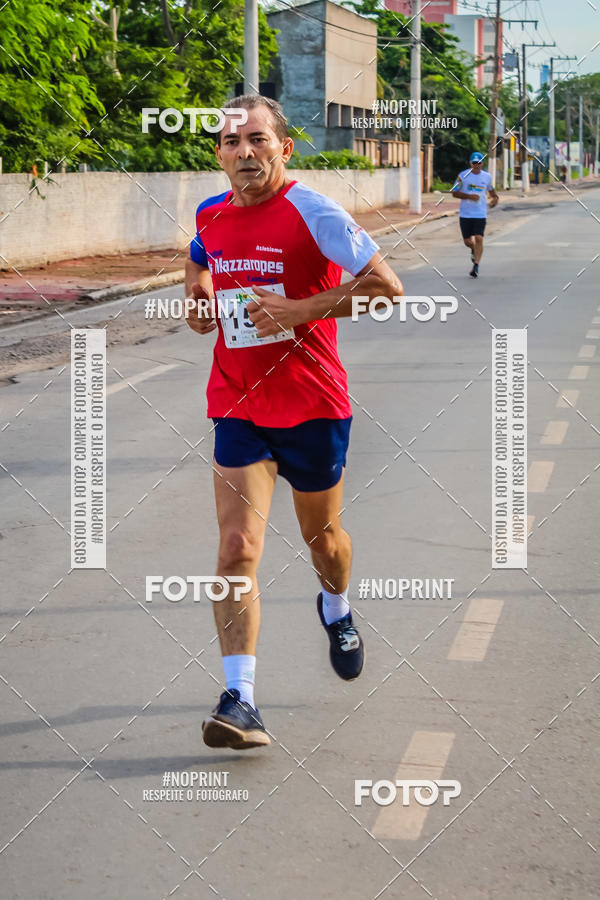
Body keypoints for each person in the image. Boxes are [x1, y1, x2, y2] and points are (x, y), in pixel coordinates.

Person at [184, 94, 403, 750]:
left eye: (257, 140)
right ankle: (240, 700)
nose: (243, 152)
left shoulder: (316, 212)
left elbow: (387, 287)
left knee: (324, 543)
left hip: (313, 406)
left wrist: (301, 309)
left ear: (284, 147)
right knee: (235, 548)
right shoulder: (211, 212)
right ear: (218, 153)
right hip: (238, 402)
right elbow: (200, 254)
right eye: (231, 142)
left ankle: (335, 606)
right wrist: (195, 289)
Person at [451, 151, 499, 278]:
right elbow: (454, 192)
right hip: (465, 214)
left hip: (480, 213)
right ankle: (473, 249)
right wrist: (469, 196)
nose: (477, 165)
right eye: (474, 163)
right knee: (468, 241)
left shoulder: (487, 177)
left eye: (479, 163)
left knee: (479, 238)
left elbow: (492, 191)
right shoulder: (463, 176)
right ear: (470, 163)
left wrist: (495, 199)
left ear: (483, 163)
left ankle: (476, 266)